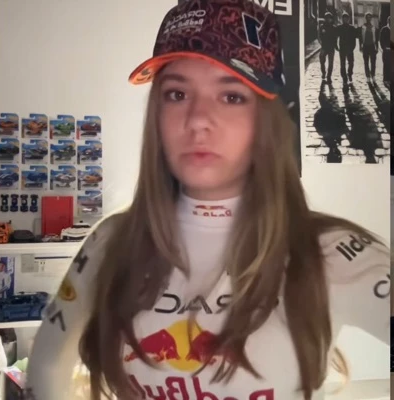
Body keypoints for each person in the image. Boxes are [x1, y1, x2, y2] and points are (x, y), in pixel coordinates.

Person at [25, 1, 390, 400]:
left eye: (231, 96)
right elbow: (46, 367)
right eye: (177, 93)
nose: (198, 118)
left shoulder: (333, 252)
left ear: (266, 118)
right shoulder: (111, 241)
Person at [336, 12, 356, 86]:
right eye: (344, 18)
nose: (345, 20)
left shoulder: (352, 28)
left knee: (351, 63)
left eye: (346, 18)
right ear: (342, 19)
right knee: (342, 64)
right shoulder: (339, 28)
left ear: (348, 19)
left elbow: (354, 39)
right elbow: (336, 37)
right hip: (342, 48)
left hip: (350, 48)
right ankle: (344, 78)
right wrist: (336, 46)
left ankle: (349, 74)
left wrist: (353, 47)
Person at [360, 12, 379, 83]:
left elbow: (376, 39)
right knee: (366, 62)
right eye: (367, 17)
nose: (368, 18)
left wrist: (377, 47)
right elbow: (360, 38)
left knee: (373, 62)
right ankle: (367, 76)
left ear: (371, 18)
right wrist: (360, 46)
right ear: (365, 18)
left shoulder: (373, 27)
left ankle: (373, 75)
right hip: (365, 46)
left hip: (372, 46)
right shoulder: (362, 27)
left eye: (370, 17)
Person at [318, 12, 337, 84]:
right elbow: (319, 36)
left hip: (331, 48)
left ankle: (329, 76)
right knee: (321, 60)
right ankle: (323, 72)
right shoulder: (322, 27)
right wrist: (321, 43)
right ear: (324, 18)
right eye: (326, 18)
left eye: (329, 18)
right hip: (324, 47)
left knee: (331, 63)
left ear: (331, 19)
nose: (328, 19)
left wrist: (336, 46)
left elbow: (335, 38)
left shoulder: (334, 28)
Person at [379, 16, 390, 86]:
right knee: (386, 65)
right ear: (388, 21)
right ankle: (385, 79)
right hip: (386, 51)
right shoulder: (384, 29)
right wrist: (384, 48)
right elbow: (381, 40)